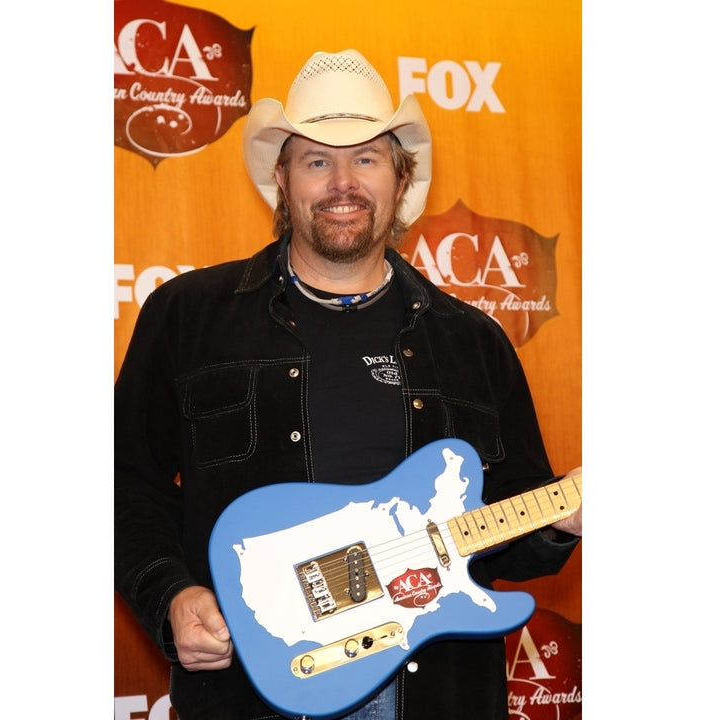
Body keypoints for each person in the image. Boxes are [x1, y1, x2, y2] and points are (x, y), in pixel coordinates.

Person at [114, 48, 582, 720]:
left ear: (400, 177)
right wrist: (169, 595)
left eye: (365, 158)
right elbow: (125, 479)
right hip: (255, 687)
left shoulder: (473, 341)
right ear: (282, 178)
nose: (342, 182)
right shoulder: (188, 316)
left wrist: (561, 519)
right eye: (316, 160)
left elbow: (514, 526)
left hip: (429, 692)